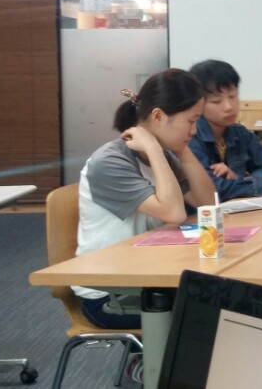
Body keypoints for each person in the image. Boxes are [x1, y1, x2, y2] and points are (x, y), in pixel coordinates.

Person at [74, 68, 216, 329]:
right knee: (212, 318)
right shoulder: (110, 161)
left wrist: (183, 150)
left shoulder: (164, 156)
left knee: (226, 301)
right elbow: (174, 213)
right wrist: (153, 148)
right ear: (158, 117)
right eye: (191, 121)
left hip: (149, 277)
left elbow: (207, 203)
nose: (195, 130)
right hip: (110, 292)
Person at [188, 59, 262, 200]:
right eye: (216, 101)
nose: (229, 106)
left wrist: (241, 181)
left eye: (232, 96)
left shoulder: (239, 133)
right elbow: (213, 189)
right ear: (198, 103)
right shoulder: (190, 137)